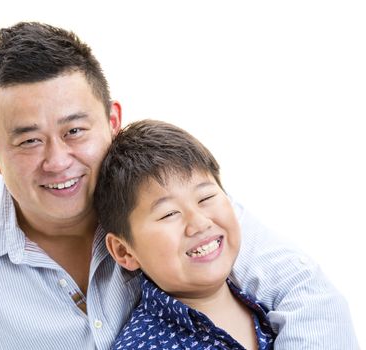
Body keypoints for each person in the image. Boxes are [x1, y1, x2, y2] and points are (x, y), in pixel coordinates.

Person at [0, 22, 358, 349]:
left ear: (112, 122)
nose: (57, 160)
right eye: (29, 140)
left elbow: (311, 300)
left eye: (75, 131)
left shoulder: (184, 212)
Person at [95, 119, 276, 349]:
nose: (199, 223)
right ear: (124, 251)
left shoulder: (274, 300)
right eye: (169, 214)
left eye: (206, 198)